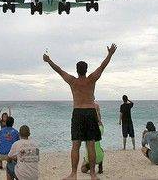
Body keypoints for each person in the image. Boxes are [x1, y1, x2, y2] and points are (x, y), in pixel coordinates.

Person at [43, 43, 117, 180]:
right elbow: (102, 66)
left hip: (78, 113)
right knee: (91, 145)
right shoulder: (92, 79)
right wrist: (110, 53)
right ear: (86, 69)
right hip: (90, 111)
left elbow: (59, 70)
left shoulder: (72, 81)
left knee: (75, 145)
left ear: (77, 70)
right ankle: (93, 174)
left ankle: (73, 174)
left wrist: (48, 60)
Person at [81, 101, 103, 175]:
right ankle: (100, 165)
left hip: (89, 158)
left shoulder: (85, 130)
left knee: (83, 169)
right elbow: (100, 121)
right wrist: (97, 111)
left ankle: (90, 165)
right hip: (100, 157)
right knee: (100, 149)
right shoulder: (100, 129)